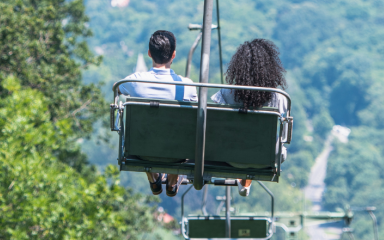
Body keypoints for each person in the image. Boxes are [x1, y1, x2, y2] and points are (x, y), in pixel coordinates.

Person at [118, 30, 196, 197]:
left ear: (149, 53)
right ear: (173, 55)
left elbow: (118, 88)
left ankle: (153, 177)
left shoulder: (135, 81)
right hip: (177, 154)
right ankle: (172, 180)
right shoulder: (187, 86)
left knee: (147, 130)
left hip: (142, 151)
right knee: (178, 129)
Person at [210, 38, 288, 197]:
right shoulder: (278, 97)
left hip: (229, 155)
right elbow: (284, 134)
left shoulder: (226, 93)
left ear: (238, 67)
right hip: (264, 157)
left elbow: (216, 123)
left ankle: (243, 177)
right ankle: (246, 179)